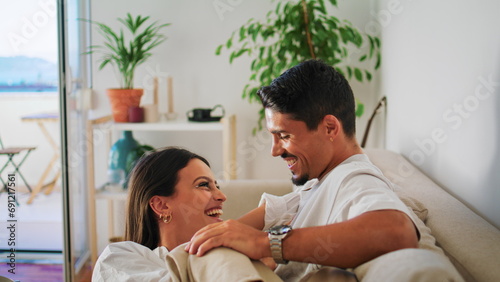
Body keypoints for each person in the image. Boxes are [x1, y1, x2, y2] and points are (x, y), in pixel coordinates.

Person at [184, 60, 423, 281]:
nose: (275, 151)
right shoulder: (322, 180)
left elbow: (397, 231)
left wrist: (264, 243)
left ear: (330, 128)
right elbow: (278, 212)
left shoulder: (354, 179)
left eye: (285, 136)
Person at [92, 147, 282, 282]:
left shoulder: (240, 253)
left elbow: (291, 204)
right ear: (161, 205)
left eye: (217, 185)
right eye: (203, 185)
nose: (222, 196)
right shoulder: (117, 258)